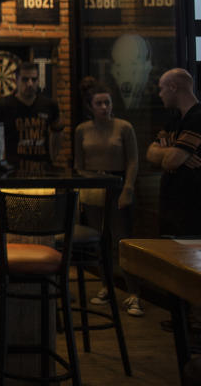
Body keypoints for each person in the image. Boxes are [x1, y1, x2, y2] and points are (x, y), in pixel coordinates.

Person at [73, 80, 143, 316]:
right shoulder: (82, 129)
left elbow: (133, 160)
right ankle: (106, 286)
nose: (104, 107)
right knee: (98, 240)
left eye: (107, 102)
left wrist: (128, 188)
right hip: (93, 188)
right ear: (90, 106)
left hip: (118, 185)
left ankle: (134, 293)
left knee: (122, 240)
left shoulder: (124, 127)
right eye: (99, 103)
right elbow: (78, 165)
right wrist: (90, 179)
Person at [146, 68, 201, 237]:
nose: (160, 94)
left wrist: (167, 151)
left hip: (192, 208)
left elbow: (171, 161)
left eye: (162, 88)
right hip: (171, 206)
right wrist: (177, 152)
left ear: (173, 87)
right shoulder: (175, 120)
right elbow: (150, 153)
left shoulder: (197, 117)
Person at [0, 61, 64, 175]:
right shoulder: (2, 107)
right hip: (12, 170)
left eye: (34, 80)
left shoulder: (49, 105)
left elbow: (58, 133)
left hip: (42, 168)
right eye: (25, 79)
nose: (30, 84)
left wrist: (53, 158)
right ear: (16, 81)